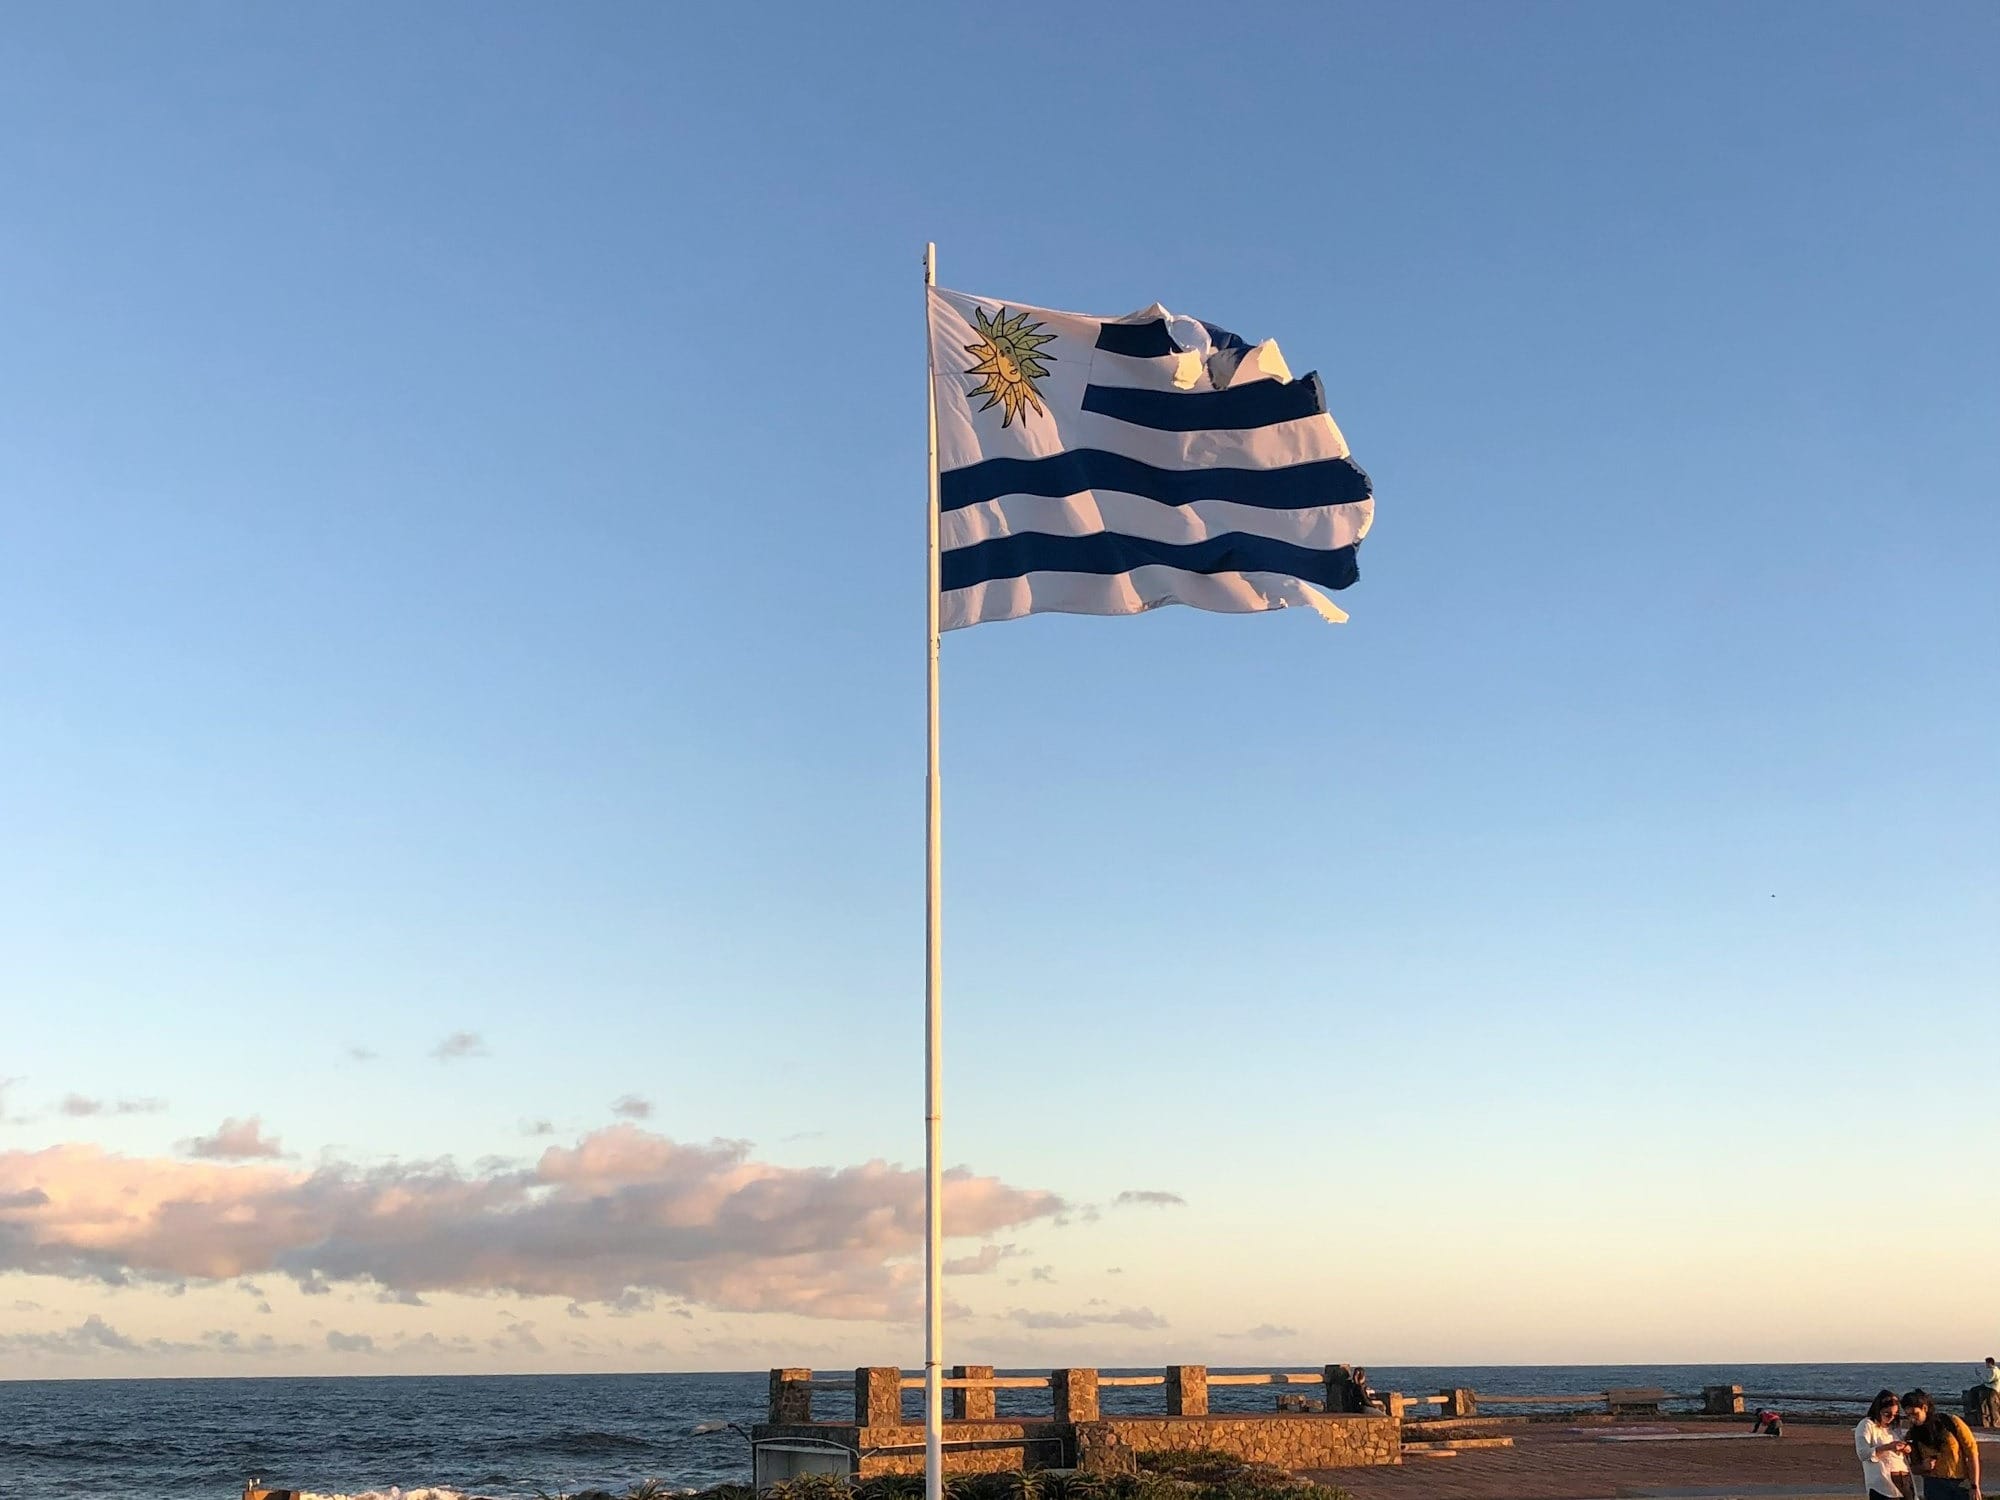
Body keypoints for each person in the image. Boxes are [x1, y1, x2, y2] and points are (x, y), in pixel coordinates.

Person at [1903, 1389, 1982, 1500]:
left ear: (1924, 1408)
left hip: (1960, 1482)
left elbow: (1972, 1453)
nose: (1912, 1419)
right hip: (1934, 1485)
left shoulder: (1951, 1422)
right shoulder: (1912, 1435)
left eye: (1915, 1414)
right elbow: (1911, 1468)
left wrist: (1975, 1485)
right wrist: (1923, 1467)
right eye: (1908, 1415)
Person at [1856, 1390, 1913, 1500]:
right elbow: (1862, 1453)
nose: (1891, 1418)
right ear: (1878, 1410)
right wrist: (1888, 1447)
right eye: (1887, 1414)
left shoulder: (1894, 1427)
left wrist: (1906, 1447)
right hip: (1882, 1481)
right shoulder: (1867, 1425)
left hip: (1904, 1478)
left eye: (1895, 1415)